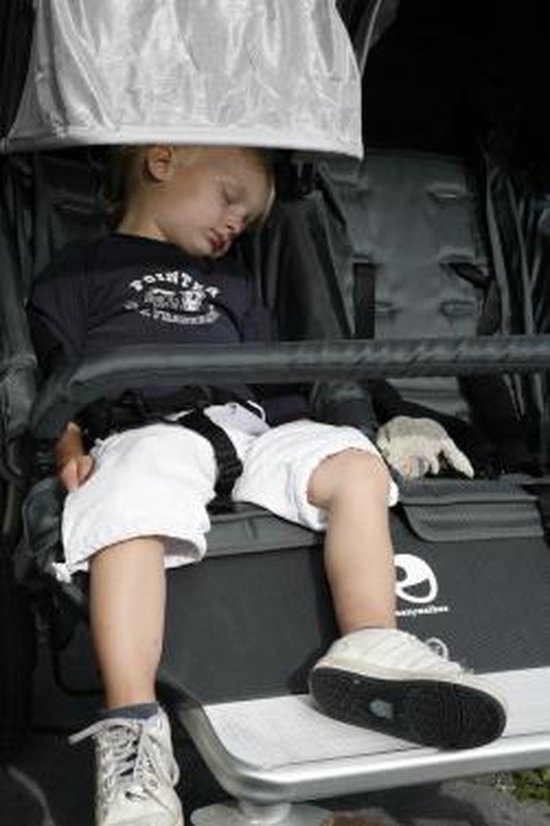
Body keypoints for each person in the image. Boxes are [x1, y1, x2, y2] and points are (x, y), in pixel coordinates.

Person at [27, 144, 507, 826]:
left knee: (353, 465)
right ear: (162, 162)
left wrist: (342, 432)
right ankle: (134, 731)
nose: (236, 224)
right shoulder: (80, 270)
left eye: (248, 221)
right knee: (126, 500)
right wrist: (67, 443)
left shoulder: (234, 283)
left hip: (249, 425)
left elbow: (275, 377)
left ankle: (370, 642)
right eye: (230, 198)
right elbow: (56, 376)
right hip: (147, 425)